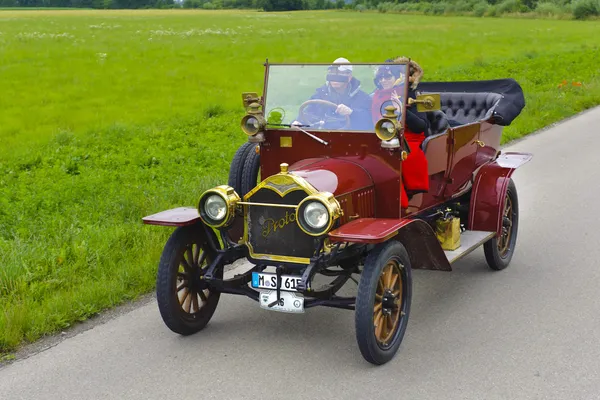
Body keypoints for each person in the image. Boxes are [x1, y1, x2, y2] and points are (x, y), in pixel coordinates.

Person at [371, 57, 431, 208]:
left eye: (388, 76)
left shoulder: (413, 95)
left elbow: (421, 126)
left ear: (399, 77)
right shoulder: (376, 95)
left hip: (408, 137)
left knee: (396, 158)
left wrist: (402, 111)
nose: (384, 80)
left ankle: (402, 202)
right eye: (381, 77)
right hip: (380, 135)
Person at [293, 58, 372, 131]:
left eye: (340, 74)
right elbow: (306, 114)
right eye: (332, 73)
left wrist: (351, 112)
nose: (335, 77)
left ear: (349, 77)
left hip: (349, 140)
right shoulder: (320, 95)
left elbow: (369, 123)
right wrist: (297, 122)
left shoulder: (363, 98)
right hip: (322, 138)